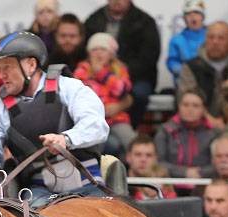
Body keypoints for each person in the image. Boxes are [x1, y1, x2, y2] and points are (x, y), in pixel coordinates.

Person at [0, 31, 109, 204]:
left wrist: (66, 139)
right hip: (40, 194)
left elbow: (97, 126)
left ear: (31, 65)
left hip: (88, 186)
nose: (1, 75)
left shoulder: (69, 87)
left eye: (8, 66)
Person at [84, 0, 160, 129]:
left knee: (139, 94)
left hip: (135, 77)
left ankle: (131, 127)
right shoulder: (94, 19)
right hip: (97, 75)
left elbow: (149, 57)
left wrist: (120, 73)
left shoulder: (145, 21)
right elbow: (84, 51)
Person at [177, 22, 228, 124]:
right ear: (205, 41)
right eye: (211, 37)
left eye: (221, 38)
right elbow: (185, 99)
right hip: (200, 124)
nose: (215, 42)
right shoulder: (192, 66)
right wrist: (211, 121)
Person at [74, 32, 133, 159]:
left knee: (130, 141)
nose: (98, 53)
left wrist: (102, 73)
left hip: (117, 118)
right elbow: (78, 95)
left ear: (111, 54)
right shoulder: (82, 70)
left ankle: (128, 170)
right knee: (95, 146)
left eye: (103, 49)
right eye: (94, 49)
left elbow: (122, 90)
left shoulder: (120, 69)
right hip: (93, 120)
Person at [154, 88, 220, 179]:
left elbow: (220, 163)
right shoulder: (166, 131)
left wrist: (200, 173)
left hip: (203, 182)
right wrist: (184, 172)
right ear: (179, 107)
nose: (190, 109)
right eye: (185, 105)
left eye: (195, 106)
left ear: (204, 109)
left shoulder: (214, 133)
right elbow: (158, 162)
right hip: (171, 183)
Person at [167, 0, 206, 85]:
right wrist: (185, 72)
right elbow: (172, 62)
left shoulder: (211, 38)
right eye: (188, 14)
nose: (192, 17)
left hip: (207, 79)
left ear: (202, 17)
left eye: (196, 13)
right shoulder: (177, 40)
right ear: (184, 19)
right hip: (184, 81)